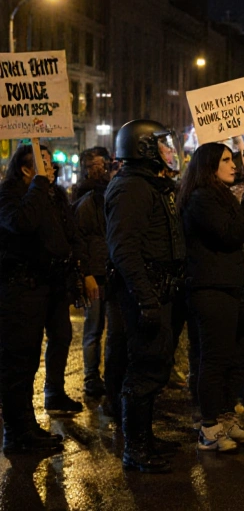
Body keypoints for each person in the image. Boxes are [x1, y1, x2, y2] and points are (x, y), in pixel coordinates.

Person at [0, 144, 94, 455]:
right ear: (27, 169)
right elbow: (22, 223)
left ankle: (31, 420)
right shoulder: (10, 192)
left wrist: (80, 268)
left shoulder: (52, 193)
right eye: (45, 166)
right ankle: (17, 431)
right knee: (20, 360)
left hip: (49, 284)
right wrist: (40, 184)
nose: (52, 171)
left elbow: (67, 233)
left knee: (49, 345)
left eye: (51, 167)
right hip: (20, 287)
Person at [106, 119, 186, 472]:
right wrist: (145, 298)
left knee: (155, 365)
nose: (169, 151)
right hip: (145, 291)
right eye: (162, 144)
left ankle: (145, 436)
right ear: (143, 149)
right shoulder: (130, 189)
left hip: (158, 289)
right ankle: (135, 447)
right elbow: (125, 250)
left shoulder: (149, 186)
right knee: (142, 369)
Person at [178, 143, 244, 452]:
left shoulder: (220, 195)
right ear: (209, 166)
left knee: (236, 355)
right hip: (210, 289)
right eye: (225, 160)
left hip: (230, 288)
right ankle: (209, 425)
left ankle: (226, 416)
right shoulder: (201, 199)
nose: (233, 165)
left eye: (232, 159)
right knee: (214, 359)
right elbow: (232, 232)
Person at [73, 147, 113, 402]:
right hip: (96, 275)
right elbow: (79, 240)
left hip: (111, 272)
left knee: (115, 330)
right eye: (93, 166)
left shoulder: (110, 193)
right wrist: (85, 274)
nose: (99, 170)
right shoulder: (85, 201)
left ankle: (109, 376)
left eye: (102, 164)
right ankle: (90, 377)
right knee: (93, 328)